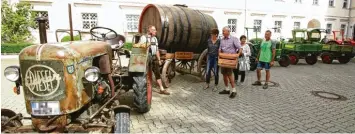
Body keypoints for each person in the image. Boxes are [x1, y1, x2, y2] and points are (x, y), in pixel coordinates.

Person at [139, 25, 170, 95]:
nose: (155, 31)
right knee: (144, 73)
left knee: (157, 73)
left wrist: (159, 60)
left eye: (155, 30)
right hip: (146, 58)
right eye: (154, 30)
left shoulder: (155, 39)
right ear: (149, 30)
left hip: (153, 58)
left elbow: (156, 51)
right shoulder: (144, 38)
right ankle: (143, 90)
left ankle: (161, 89)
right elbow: (141, 49)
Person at [218, 26, 242, 98]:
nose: (222, 32)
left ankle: (234, 90)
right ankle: (227, 89)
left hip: (230, 60)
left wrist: (237, 55)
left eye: (223, 31)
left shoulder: (234, 39)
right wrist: (219, 54)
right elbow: (220, 49)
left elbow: (240, 48)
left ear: (228, 32)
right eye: (222, 31)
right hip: (223, 59)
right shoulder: (222, 40)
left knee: (229, 75)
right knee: (224, 74)